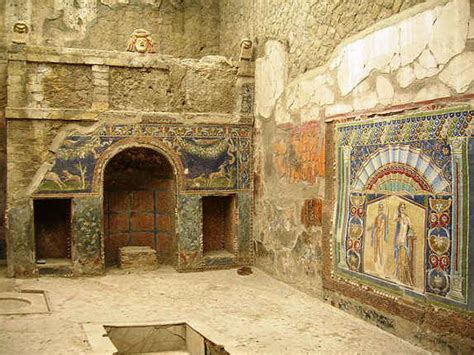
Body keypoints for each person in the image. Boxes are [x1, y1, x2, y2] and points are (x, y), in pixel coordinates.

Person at [393, 202, 415, 286]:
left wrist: (411, 232)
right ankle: (399, 277)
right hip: (399, 239)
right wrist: (397, 212)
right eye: (401, 207)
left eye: (403, 207)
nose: (402, 208)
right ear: (399, 208)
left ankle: (404, 279)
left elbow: (411, 227)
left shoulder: (407, 218)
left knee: (404, 259)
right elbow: (394, 219)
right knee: (400, 259)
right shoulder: (398, 218)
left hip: (405, 240)